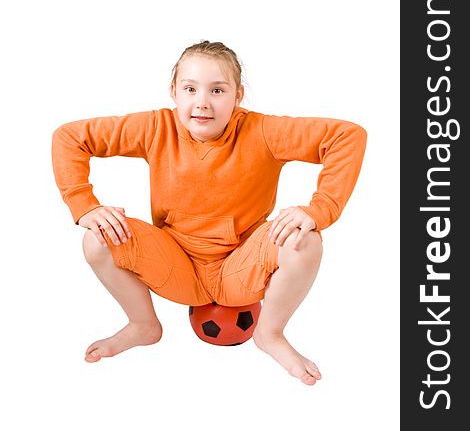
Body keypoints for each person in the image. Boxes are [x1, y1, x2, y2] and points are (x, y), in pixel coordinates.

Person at [51, 40, 367, 385]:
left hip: (240, 268)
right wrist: (84, 205)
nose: (202, 102)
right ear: (174, 92)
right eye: (190, 89)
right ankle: (142, 324)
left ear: (238, 95)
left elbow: (347, 137)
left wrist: (319, 209)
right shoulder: (156, 127)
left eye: (217, 90)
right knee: (97, 240)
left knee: (305, 240)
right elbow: (69, 137)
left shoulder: (263, 131)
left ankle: (270, 334)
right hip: (176, 267)